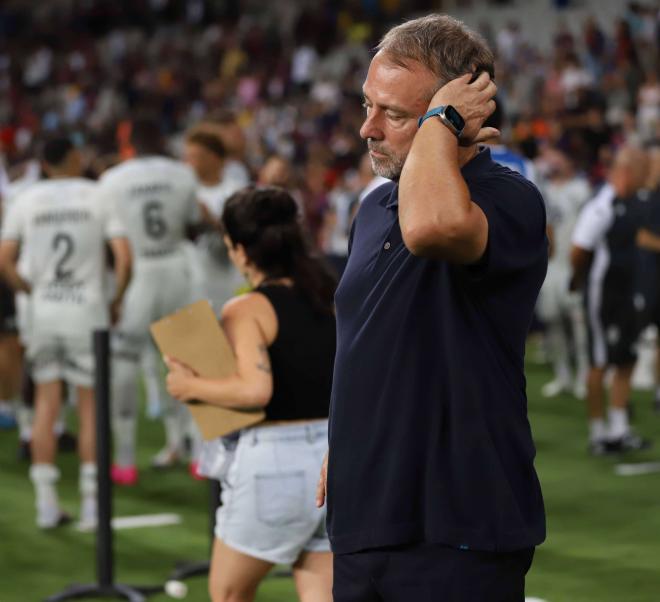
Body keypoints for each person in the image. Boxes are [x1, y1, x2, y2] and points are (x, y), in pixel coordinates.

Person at [315, 15, 547, 601]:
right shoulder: (372, 209)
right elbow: (367, 338)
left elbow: (434, 227)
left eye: (393, 114)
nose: (367, 128)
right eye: (367, 104)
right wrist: (346, 439)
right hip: (367, 514)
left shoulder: (507, 197)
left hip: (457, 520)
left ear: (464, 113)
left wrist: (440, 122)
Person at [165, 187, 336, 602]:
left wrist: (189, 386)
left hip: (277, 462)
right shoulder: (329, 291)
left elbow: (255, 389)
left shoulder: (246, 309)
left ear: (241, 251)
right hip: (335, 457)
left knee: (227, 594)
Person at [0, 136, 131, 529]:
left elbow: (4, 259)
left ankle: (45, 503)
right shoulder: (99, 195)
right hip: (86, 313)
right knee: (90, 407)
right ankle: (92, 503)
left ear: (43, 161)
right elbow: (124, 257)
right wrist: (115, 298)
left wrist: (29, 290)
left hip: (44, 313)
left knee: (46, 404)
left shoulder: (26, 198)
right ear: (75, 157)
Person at [99, 118, 202, 485]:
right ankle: (200, 452)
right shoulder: (182, 173)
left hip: (139, 271)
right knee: (191, 359)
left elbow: (115, 245)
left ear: (129, 143)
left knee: (124, 362)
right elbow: (193, 221)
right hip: (177, 267)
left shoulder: (112, 180)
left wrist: (114, 295)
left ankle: (124, 458)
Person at [571, 146, 651, 455]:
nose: (648, 176)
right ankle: (597, 433)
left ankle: (619, 429)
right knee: (600, 361)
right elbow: (579, 248)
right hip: (602, 294)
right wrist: (579, 281)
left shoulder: (633, 203)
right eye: (644, 169)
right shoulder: (602, 205)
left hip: (626, 291)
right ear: (628, 169)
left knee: (627, 357)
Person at [536, 148, 591, 398]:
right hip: (550, 266)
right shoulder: (542, 187)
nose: (553, 160)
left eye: (559, 155)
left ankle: (584, 376)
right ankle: (563, 375)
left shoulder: (581, 189)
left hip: (572, 264)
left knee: (579, 325)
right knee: (553, 322)